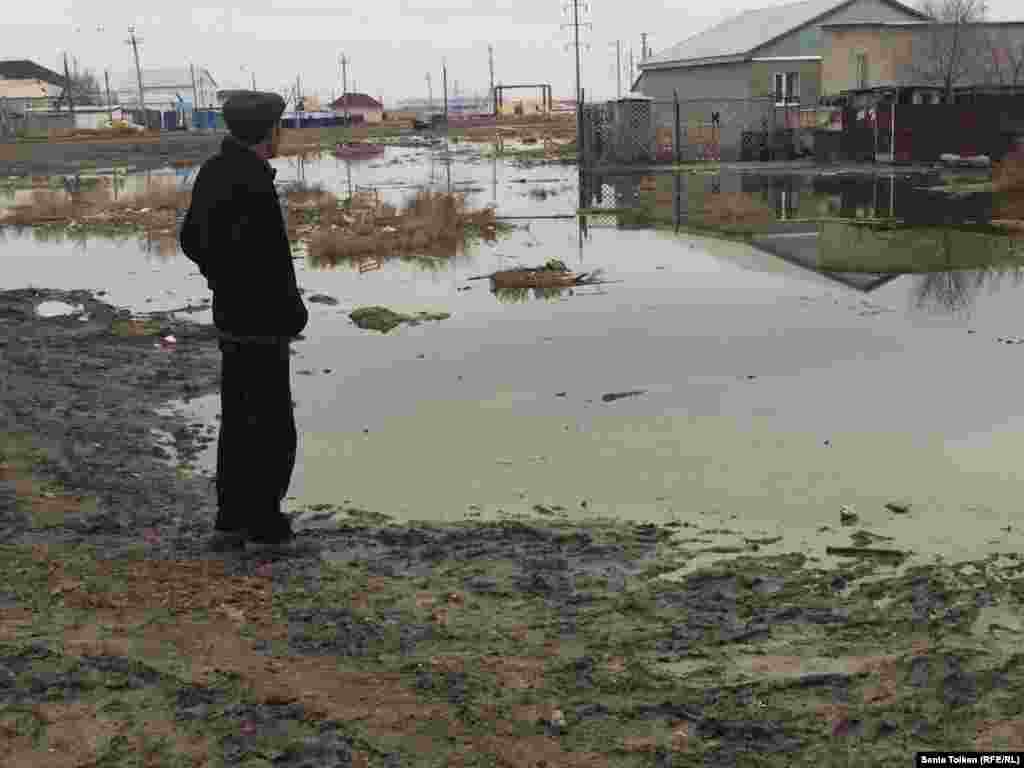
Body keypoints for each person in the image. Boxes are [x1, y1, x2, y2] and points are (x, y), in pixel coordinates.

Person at [179, 91, 310, 553]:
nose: (282, 134)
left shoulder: (216, 170)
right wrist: (289, 310)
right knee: (271, 427)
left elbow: (192, 239)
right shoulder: (251, 178)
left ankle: (230, 522)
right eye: (280, 126)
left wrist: (221, 280)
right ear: (268, 131)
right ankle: (265, 528)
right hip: (261, 321)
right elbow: (270, 262)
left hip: (233, 317)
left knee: (238, 421)